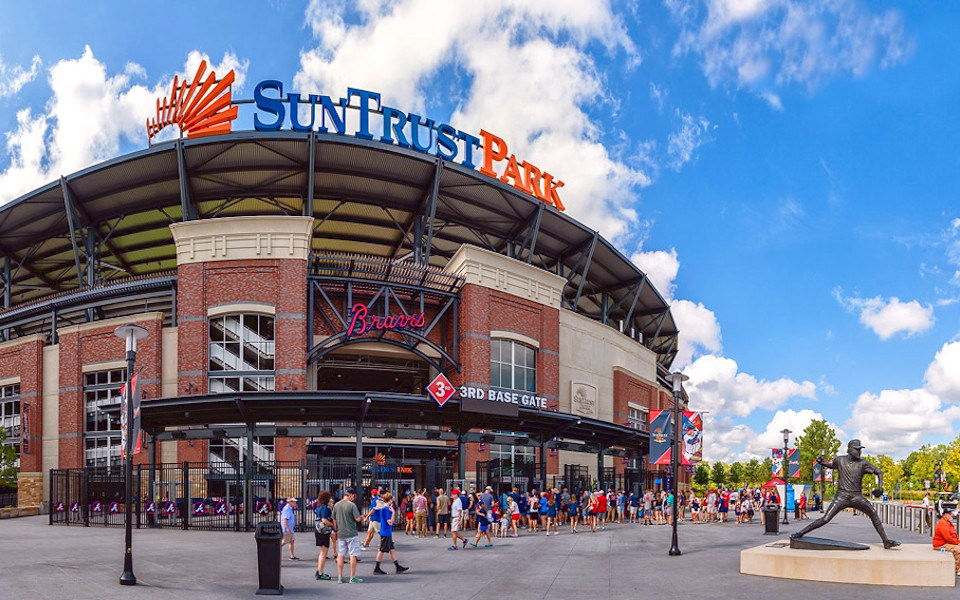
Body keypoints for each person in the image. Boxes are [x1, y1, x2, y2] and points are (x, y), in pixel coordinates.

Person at [791, 440, 900, 549]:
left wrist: (880, 487)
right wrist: (821, 463)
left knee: (873, 514)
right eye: (857, 449)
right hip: (841, 497)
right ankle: (801, 533)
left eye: (860, 449)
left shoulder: (863, 463)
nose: (859, 452)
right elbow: (831, 465)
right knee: (825, 519)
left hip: (857, 497)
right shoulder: (840, 460)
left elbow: (879, 471)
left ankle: (886, 541)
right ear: (849, 450)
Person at [332, 487, 364, 584]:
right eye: (353, 496)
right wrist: (362, 517)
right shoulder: (352, 505)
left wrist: (336, 530)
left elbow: (334, 519)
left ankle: (340, 577)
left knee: (341, 555)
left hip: (341, 533)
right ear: (350, 495)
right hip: (351, 533)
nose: (354, 498)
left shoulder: (336, 505)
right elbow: (358, 519)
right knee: (353, 555)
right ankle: (352, 577)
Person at [372, 492, 409, 575]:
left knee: (392, 550)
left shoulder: (383, 508)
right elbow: (390, 522)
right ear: (390, 500)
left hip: (386, 531)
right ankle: (377, 568)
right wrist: (393, 513)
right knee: (381, 550)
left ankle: (397, 566)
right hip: (386, 532)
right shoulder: (387, 509)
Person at [933, 505, 960, 574]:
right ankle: (957, 569)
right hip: (941, 544)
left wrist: (957, 541)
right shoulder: (943, 524)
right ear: (945, 515)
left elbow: (953, 535)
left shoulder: (947, 522)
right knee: (957, 549)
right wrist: (957, 543)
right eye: (950, 514)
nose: (951, 515)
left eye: (951, 514)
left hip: (946, 543)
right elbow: (948, 537)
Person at [315, 491, 334, 580]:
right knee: (323, 553)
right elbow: (324, 520)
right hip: (324, 531)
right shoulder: (325, 507)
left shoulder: (318, 506)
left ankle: (319, 570)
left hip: (318, 530)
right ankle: (320, 572)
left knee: (321, 552)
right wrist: (332, 525)